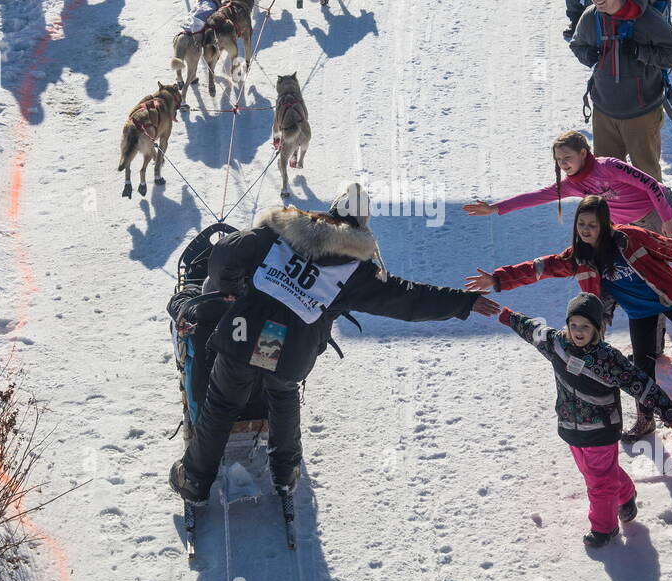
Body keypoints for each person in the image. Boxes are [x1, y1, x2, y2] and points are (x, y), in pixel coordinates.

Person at [169, 184, 499, 505]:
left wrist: (230, 290)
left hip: (247, 329)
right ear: (363, 225)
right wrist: (463, 303)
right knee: (281, 396)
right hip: (289, 344)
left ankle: (195, 480)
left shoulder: (284, 230)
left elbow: (226, 251)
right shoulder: (356, 270)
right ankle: (285, 476)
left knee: (223, 404)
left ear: (330, 212)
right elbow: (408, 300)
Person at [465, 195, 672, 440]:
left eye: (593, 225)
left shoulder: (630, 238)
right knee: (642, 369)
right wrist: (498, 279)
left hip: (669, 296)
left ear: (605, 224)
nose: (586, 230)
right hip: (640, 312)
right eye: (581, 224)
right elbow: (541, 267)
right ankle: (646, 419)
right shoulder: (580, 257)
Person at [487, 293, 672, 545]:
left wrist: (666, 409)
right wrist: (508, 317)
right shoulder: (556, 344)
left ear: (597, 329)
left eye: (586, 326)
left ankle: (604, 528)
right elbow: (532, 329)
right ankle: (626, 492)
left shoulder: (608, 358)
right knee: (595, 473)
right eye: (574, 325)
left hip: (602, 429)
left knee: (598, 482)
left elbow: (639, 382)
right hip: (570, 425)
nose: (578, 331)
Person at [463, 127, 672, 250]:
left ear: (583, 153)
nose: (563, 165)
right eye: (559, 161)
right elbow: (536, 197)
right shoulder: (572, 185)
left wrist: (667, 219)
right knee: (650, 279)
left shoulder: (609, 166)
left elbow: (650, 184)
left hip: (667, 209)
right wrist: (496, 208)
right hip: (637, 227)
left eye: (567, 158)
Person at [569, 0, 672, 182]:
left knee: (647, 178)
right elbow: (577, 45)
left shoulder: (646, 17)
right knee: (606, 177)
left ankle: (653, 217)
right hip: (604, 111)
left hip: (641, 113)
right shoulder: (591, 16)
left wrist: (642, 52)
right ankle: (615, 217)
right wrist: (588, 56)